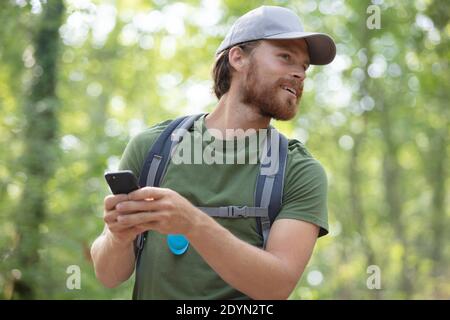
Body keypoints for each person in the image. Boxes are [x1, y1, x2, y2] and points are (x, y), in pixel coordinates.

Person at [91, 5, 336, 300]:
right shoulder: (153, 149)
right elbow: (108, 275)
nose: (299, 74)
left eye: (304, 67)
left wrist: (192, 223)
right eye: (286, 57)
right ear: (238, 57)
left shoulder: (299, 171)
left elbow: (276, 287)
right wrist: (118, 236)